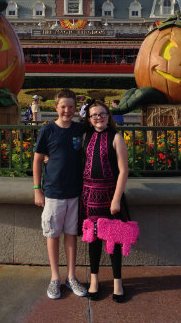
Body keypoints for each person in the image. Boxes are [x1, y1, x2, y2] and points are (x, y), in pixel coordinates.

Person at [33, 89, 87, 300]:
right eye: (63, 107)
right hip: (53, 192)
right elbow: (38, 160)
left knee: (71, 234)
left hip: (74, 191)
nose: (67, 110)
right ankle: (55, 277)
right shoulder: (47, 130)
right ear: (56, 108)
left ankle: (71, 276)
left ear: (76, 109)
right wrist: (37, 189)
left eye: (71, 107)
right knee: (53, 235)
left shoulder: (80, 129)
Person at [79, 100, 129, 303]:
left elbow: (124, 170)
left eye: (102, 114)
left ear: (108, 116)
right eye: (94, 115)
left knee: (114, 239)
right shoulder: (85, 136)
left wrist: (116, 199)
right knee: (93, 239)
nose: (98, 117)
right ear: (89, 120)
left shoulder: (116, 137)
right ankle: (94, 280)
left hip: (110, 195)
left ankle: (118, 282)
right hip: (89, 196)